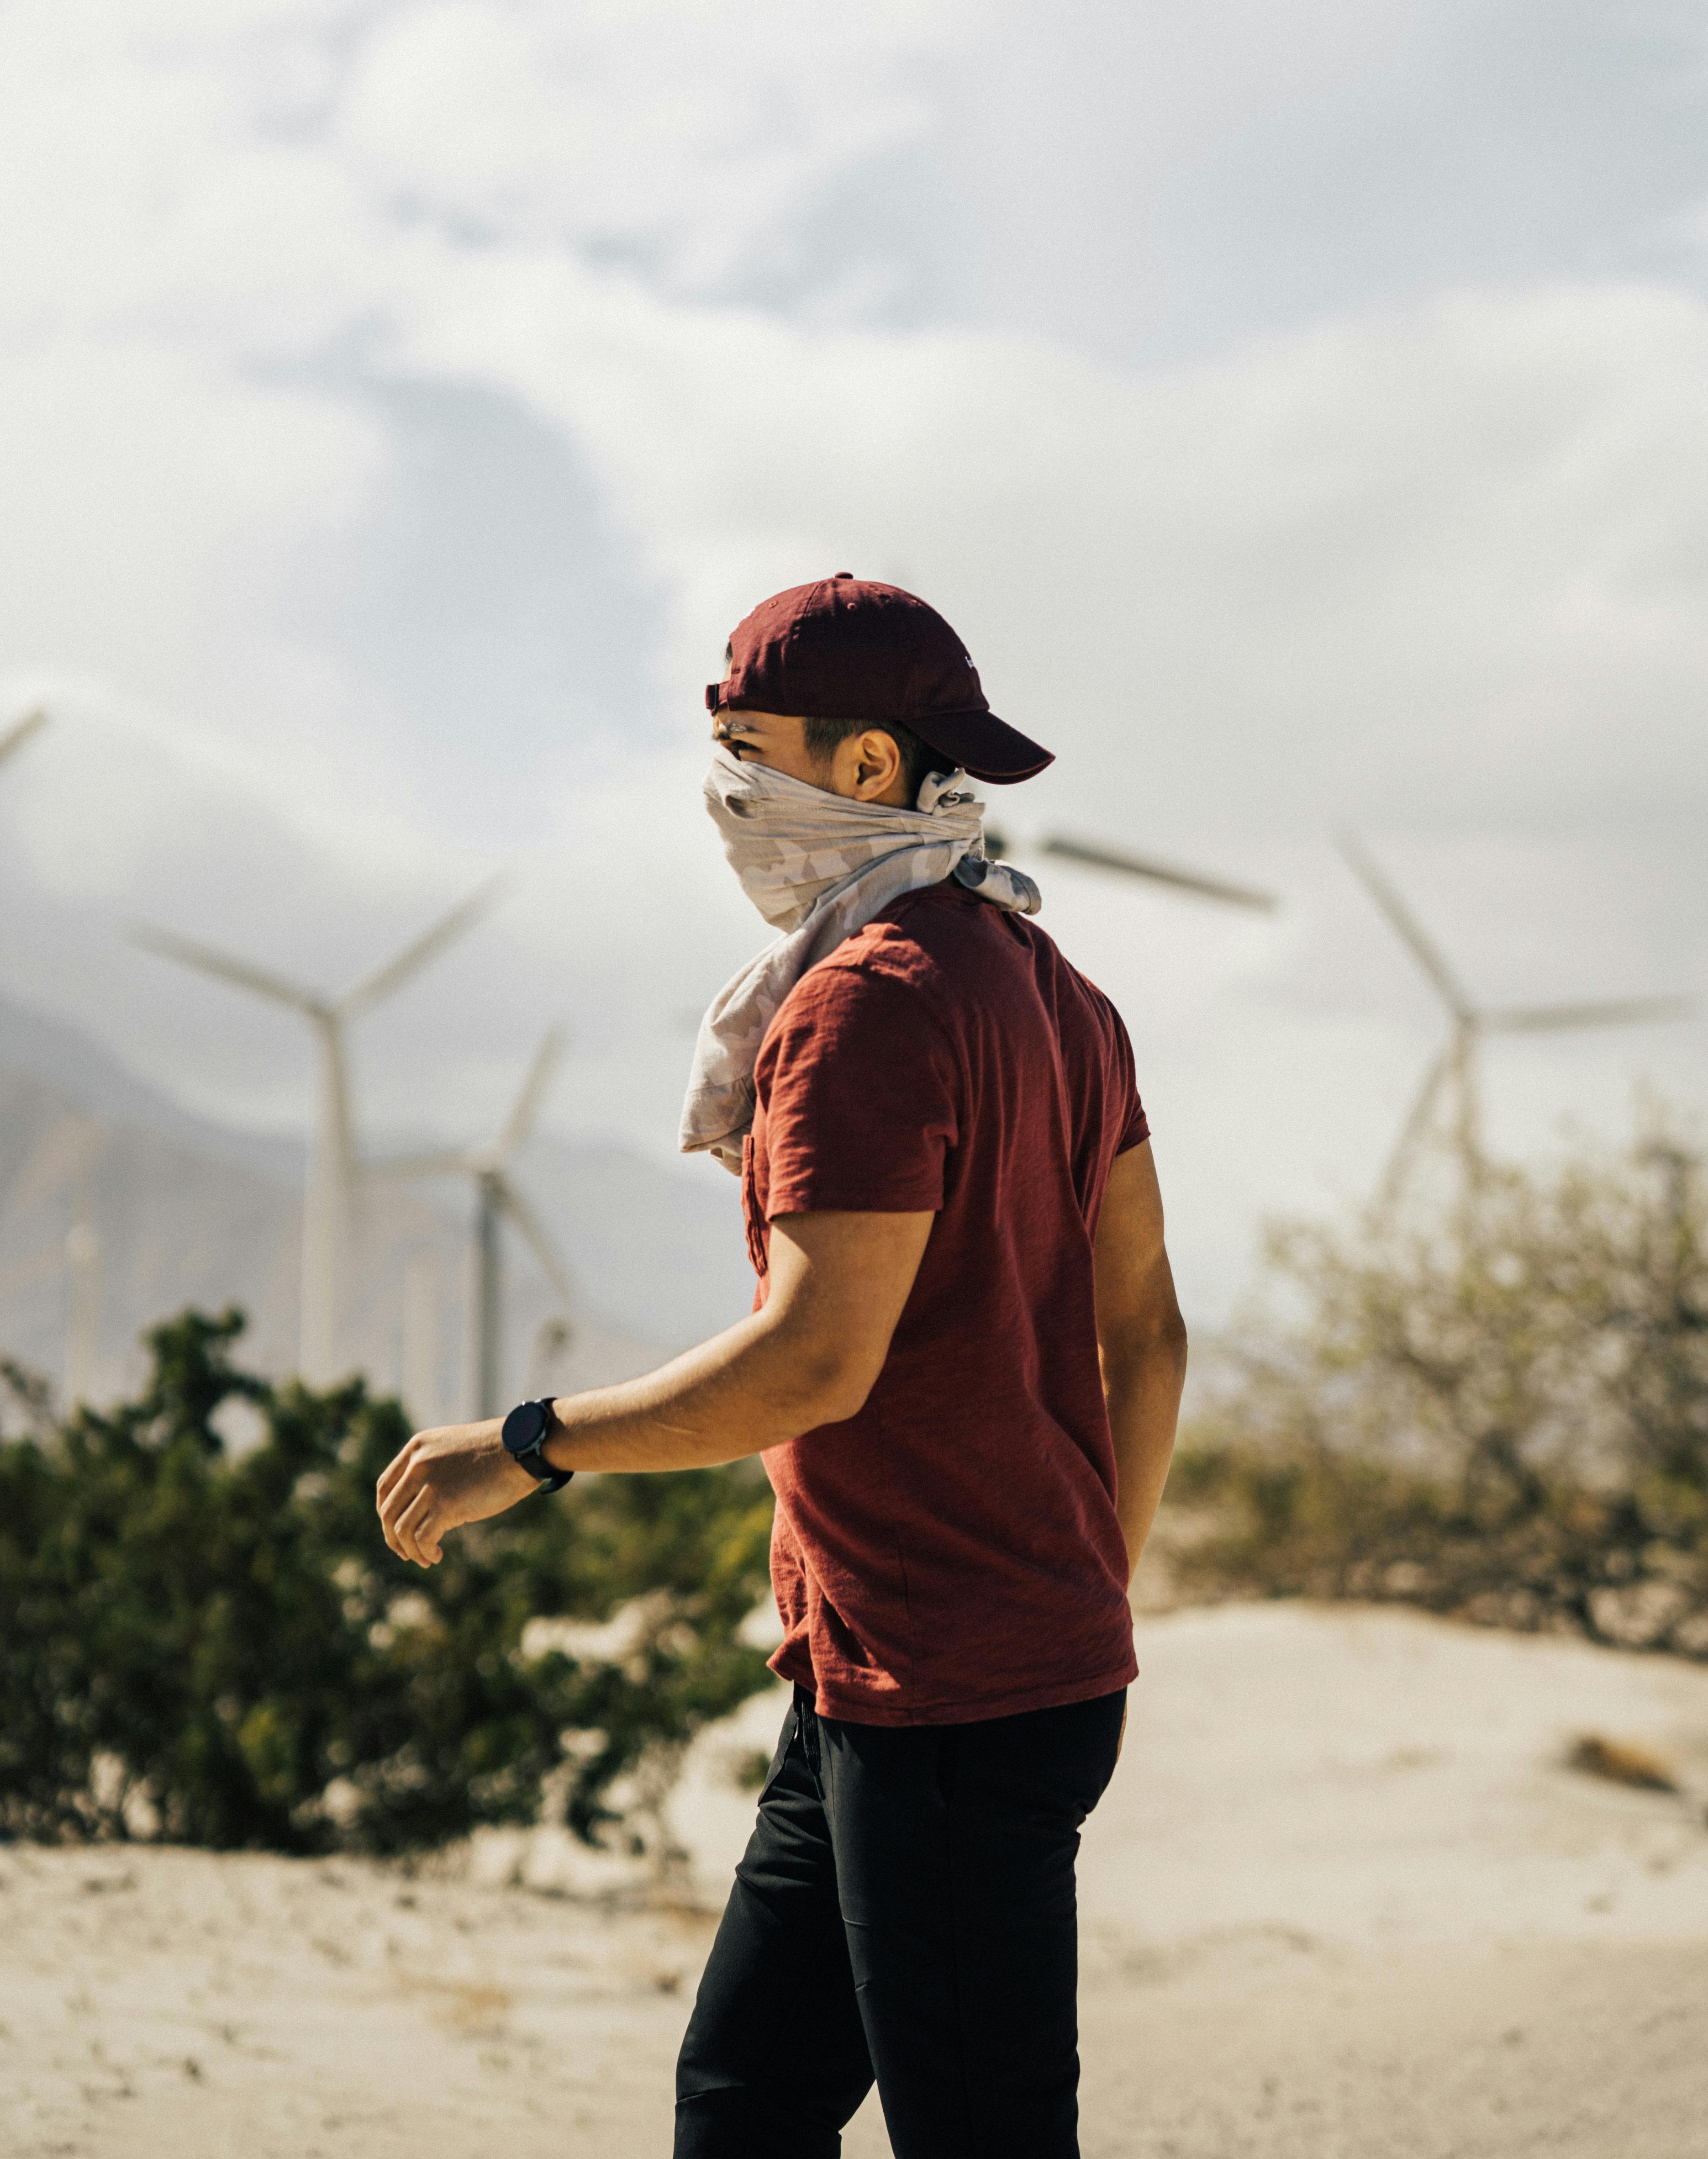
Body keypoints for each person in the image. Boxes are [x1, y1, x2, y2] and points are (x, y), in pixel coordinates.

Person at [376, 572, 1189, 2159]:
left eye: (753, 752)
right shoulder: (1057, 993)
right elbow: (1147, 1323)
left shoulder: (865, 1008)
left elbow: (814, 1362)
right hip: (904, 1673)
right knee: (746, 2106)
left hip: (947, 1689)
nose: (724, 796)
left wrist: (528, 1444)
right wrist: (1087, 1576)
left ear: (871, 768)